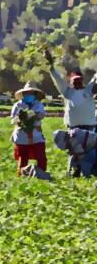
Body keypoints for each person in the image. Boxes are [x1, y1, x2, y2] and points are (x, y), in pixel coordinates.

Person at [46, 48, 97, 177]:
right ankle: (76, 171)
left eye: (79, 79)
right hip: (73, 129)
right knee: (74, 151)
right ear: (71, 81)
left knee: (91, 151)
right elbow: (58, 80)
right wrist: (51, 66)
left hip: (90, 128)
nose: (77, 82)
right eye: (75, 80)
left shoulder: (89, 90)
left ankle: (90, 171)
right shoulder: (68, 92)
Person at [9, 82, 48, 175]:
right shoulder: (18, 105)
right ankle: (22, 175)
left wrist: (33, 115)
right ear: (23, 94)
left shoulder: (38, 104)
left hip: (36, 134)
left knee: (41, 157)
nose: (29, 95)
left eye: (31, 93)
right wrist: (21, 119)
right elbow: (12, 120)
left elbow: (41, 115)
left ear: (35, 94)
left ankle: (41, 174)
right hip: (22, 134)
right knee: (23, 157)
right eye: (27, 93)